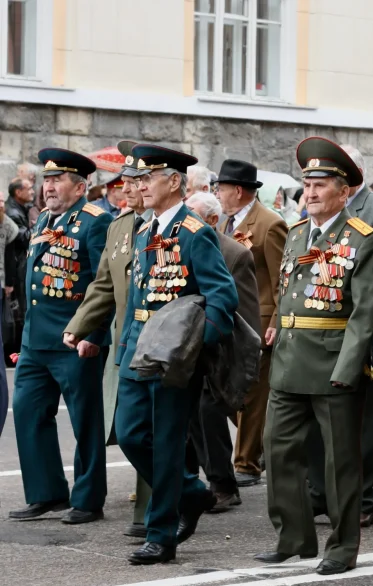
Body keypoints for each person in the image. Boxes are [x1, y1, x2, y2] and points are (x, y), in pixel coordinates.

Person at [94, 144, 238, 564]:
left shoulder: (195, 232)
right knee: (131, 433)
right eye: (134, 179)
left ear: (173, 181)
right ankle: (191, 492)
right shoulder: (143, 229)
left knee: (169, 443)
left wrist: (196, 350)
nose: (137, 186)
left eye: (145, 179)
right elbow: (137, 296)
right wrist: (124, 349)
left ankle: (161, 536)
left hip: (175, 356)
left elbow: (222, 297)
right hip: (140, 347)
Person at [256, 137, 373, 576]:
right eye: (307, 184)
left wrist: (348, 369)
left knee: (340, 463)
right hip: (290, 361)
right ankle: (293, 536)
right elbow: (286, 295)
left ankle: (342, 546)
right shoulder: (295, 235)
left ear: (344, 191)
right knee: (277, 450)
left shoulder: (362, 240)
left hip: (334, 364)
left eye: (321, 185)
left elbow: (365, 315)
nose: (309, 193)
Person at [8, 149, 113, 525]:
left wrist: (95, 334)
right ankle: (47, 493)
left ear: (81, 186)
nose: (48, 187)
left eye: (57, 180)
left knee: (85, 420)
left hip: (75, 340)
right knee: (28, 412)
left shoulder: (95, 222)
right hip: (37, 342)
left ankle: (87, 499)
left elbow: (107, 283)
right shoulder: (45, 221)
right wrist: (23, 341)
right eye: (46, 180)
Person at [64, 141, 155, 538]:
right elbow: (103, 284)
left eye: (137, 180)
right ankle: (180, 495)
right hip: (124, 339)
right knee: (131, 427)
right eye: (125, 181)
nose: (127, 188)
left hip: (164, 343)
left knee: (157, 428)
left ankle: (156, 513)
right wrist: (80, 326)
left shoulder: (177, 226)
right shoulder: (119, 226)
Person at [333, 145, 373, 526]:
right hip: (330, 327)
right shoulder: (326, 211)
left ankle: (365, 497)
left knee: (368, 422)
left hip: (367, 326)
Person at [215, 159, 289, 488]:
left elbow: (281, 280)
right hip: (230, 318)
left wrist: (276, 321)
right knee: (229, 391)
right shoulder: (222, 223)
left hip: (259, 322)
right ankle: (259, 448)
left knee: (254, 394)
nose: (217, 194)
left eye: (221, 188)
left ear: (238, 191)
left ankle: (246, 463)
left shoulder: (269, 224)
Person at [185, 191, 260, 511]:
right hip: (186, 347)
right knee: (188, 417)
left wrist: (237, 357)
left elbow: (246, 310)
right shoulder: (179, 243)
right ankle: (190, 481)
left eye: (192, 213)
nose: (185, 219)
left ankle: (224, 485)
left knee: (208, 413)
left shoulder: (234, 253)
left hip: (219, 349)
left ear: (213, 220)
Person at [5, 177, 34, 360]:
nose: (32, 191)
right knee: (22, 313)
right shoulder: (13, 213)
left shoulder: (20, 209)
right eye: (29, 188)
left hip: (18, 269)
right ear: (18, 192)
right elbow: (25, 238)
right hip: (17, 271)